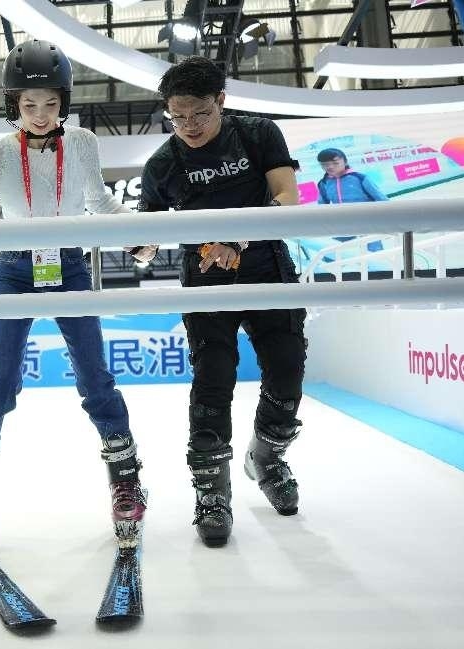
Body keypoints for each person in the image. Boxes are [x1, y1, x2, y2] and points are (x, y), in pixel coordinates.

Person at [0, 39, 152, 556]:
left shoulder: (84, 143)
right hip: (15, 271)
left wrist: (137, 234)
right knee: (1, 382)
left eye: (51, 103)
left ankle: (125, 482)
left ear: (64, 102)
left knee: (95, 378)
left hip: (70, 266)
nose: (42, 114)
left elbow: (99, 203)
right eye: (30, 105)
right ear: (15, 105)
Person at [137, 56, 306, 547]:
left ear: (222, 102)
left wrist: (238, 237)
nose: (189, 125)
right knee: (212, 381)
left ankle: (268, 458)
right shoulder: (162, 164)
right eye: (177, 117)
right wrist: (136, 242)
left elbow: (287, 197)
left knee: (287, 372)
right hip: (206, 281)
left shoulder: (257, 134)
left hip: (268, 270)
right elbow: (147, 236)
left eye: (200, 114)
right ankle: (212, 492)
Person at [317, 147, 388, 252]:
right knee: (340, 250)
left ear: (345, 162)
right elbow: (322, 204)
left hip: (367, 220)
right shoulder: (324, 182)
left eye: (335, 163)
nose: (330, 167)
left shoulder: (359, 178)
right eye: (325, 164)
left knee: (374, 250)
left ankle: (378, 260)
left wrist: (387, 218)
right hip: (342, 221)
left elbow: (381, 198)